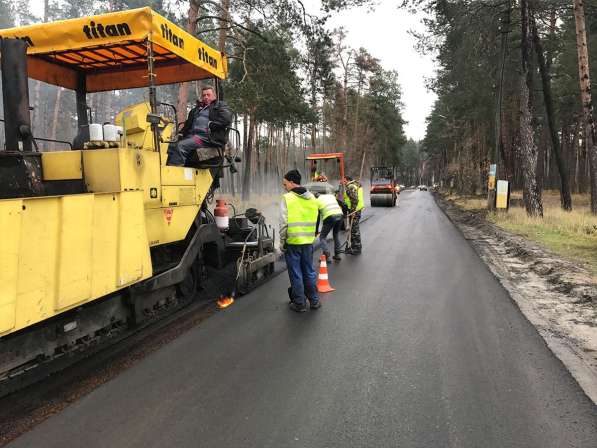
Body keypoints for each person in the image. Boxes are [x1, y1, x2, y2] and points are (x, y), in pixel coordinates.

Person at [280, 169, 321, 312]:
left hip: (293, 243)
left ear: (292, 182)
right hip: (308, 242)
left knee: (296, 273)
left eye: (285, 184)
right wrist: (314, 234)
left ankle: (300, 303)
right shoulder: (312, 197)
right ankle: (314, 301)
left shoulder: (287, 198)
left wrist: (282, 242)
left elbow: (284, 223)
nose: (284, 187)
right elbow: (317, 217)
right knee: (309, 271)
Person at [166, 86, 232, 167]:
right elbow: (188, 124)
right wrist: (181, 133)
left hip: (205, 138)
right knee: (170, 146)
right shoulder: (196, 110)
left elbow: (226, 119)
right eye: (204, 95)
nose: (206, 97)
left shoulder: (219, 106)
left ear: (214, 96)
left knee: (180, 146)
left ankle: (175, 171)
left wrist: (211, 125)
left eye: (208, 95)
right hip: (192, 136)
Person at [315, 186, 343, 262]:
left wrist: (316, 231)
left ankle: (326, 253)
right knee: (336, 234)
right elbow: (342, 204)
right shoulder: (331, 196)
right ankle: (337, 255)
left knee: (322, 237)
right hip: (340, 215)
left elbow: (317, 218)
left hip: (330, 217)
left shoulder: (317, 201)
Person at [343, 175, 364, 255]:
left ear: (348, 180)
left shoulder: (350, 186)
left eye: (344, 181)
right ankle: (353, 247)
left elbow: (355, 199)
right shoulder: (356, 185)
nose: (343, 182)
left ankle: (357, 248)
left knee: (354, 230)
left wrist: (353, 211)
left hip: (355, 210)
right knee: (353, 229)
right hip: (356, 209)